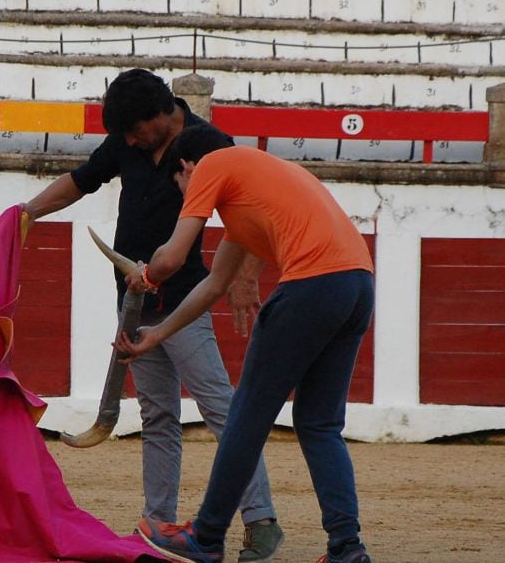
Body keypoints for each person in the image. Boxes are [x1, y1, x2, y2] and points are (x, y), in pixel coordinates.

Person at [22, 69, 284, 561]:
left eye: (135, 130)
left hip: (184, 297)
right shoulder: (129, 142)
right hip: (133, 301)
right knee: (157, 414)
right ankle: (159, 523)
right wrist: (28, 212)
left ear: (162, 114)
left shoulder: (210, 144)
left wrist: (246, 277)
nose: (128, 140)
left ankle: (261, 521)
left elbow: (253, 209)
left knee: (220, 409)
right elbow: (80, 182)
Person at [115, 124, 375, 563]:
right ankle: (347, 547)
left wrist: (144, 278)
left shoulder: (214, 163)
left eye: (179, 183)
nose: (183, 193)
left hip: (310, 286)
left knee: (246, 418)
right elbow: (215, 284)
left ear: (185, 166)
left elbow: (173, 257)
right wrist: (156, 335)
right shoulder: (253, 192)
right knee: (319, 423)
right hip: (357, 286)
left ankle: (208, 535)